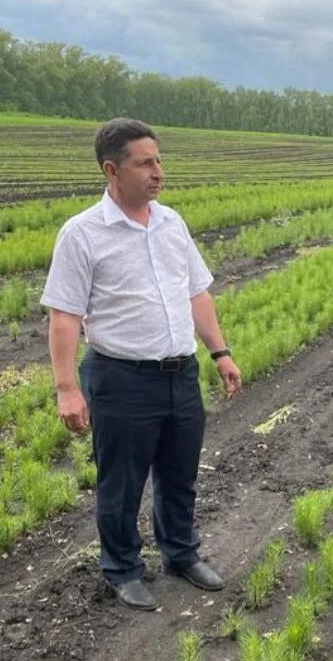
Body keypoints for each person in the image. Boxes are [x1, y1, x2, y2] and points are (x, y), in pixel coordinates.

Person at [41, 118, 242, 611]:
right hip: (120, 378)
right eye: (145, 163)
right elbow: (65, 316)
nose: (158, 171)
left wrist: (220, 352)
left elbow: (196, 293)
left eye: (159, 160)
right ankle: (123, 569)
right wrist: (67, 388)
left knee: (179, 475)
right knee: (122, 483)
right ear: (113, 170)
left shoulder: (172, 223)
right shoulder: (83, 233)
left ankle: (180, 554)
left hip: (180, 374)